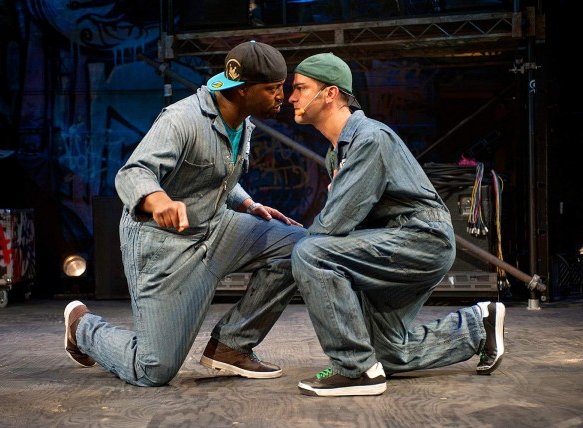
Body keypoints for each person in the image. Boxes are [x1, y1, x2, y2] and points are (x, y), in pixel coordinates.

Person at [63, 40, 306, 387]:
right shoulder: (182, 120)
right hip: (164, 246)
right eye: (271, 89)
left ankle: (230, 346)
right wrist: (159, 201)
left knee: (301, 246)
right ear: (241, 91)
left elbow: (213, 174)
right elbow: (134, 173)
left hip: (216, 228)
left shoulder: (242, 121)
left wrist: (248, 204)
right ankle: (82, 327)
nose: (281, 95)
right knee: (154, 369)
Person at [288, 52, 506, 397]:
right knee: (391, 353)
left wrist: (294, 254)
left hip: (419, 239)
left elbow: (334, 224)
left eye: (300, 88)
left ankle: (357, 370)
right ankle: (479, 325)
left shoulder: (369, 138)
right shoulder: (337, 152)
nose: (291, 97)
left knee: (311, 253)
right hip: (392, 242)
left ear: (329, 93)